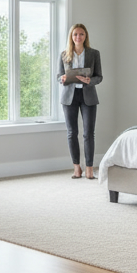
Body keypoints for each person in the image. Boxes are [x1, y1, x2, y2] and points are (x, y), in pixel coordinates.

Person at [58, 23, 103, 179]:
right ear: (71, 37)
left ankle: (89, 168)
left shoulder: (94, 54)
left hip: (88, 96)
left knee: (88, 133)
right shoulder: (64, 54)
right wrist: (62, 78)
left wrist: (89, 80)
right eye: (75, 34)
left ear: (85, 36)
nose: (78, 37)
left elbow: (99, 77)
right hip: (69, 97)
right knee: (72, 133)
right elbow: (59, 75)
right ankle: (77, 168)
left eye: (81, 34)